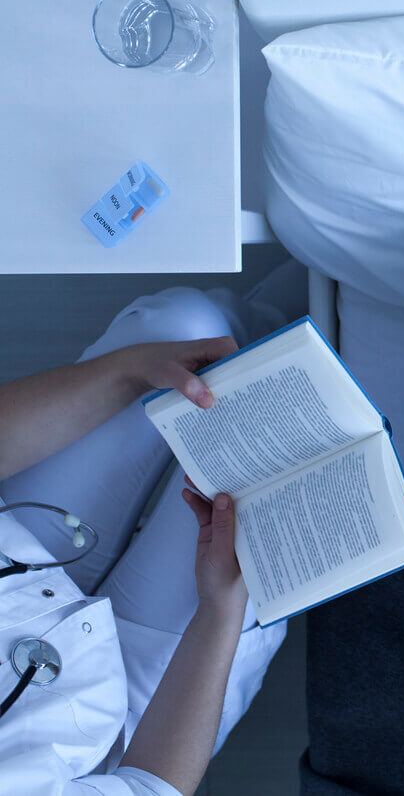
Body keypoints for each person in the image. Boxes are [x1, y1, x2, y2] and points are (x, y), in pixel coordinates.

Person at [0, 275, 303, 793]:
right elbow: (152, 785)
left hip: (20, 561)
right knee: (277, 475)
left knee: (185, 329)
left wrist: (128, 372)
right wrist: (219, 610)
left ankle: (285, 315)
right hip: (125, 726)